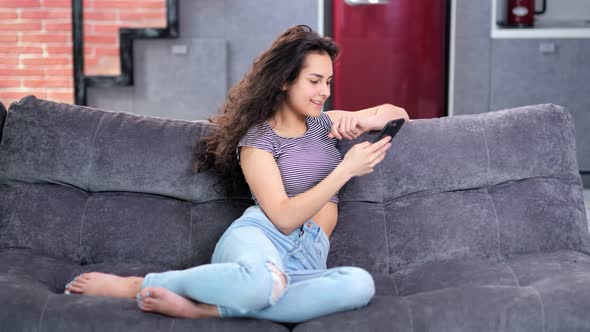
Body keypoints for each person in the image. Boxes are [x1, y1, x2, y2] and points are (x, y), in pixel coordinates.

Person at [63, 24, 409, 323]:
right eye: (315, 81)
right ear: (285, 81)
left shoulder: (325, 124)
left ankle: (206, 311)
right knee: (260, 283)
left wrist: (363, 119)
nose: (326, 92)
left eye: (329, 82)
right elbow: (284, 218)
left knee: (360, 284)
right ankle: (138, 285)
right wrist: (345, 170)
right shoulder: (257, 142)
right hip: (261, 239)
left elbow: (399, 114)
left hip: (309, 253)